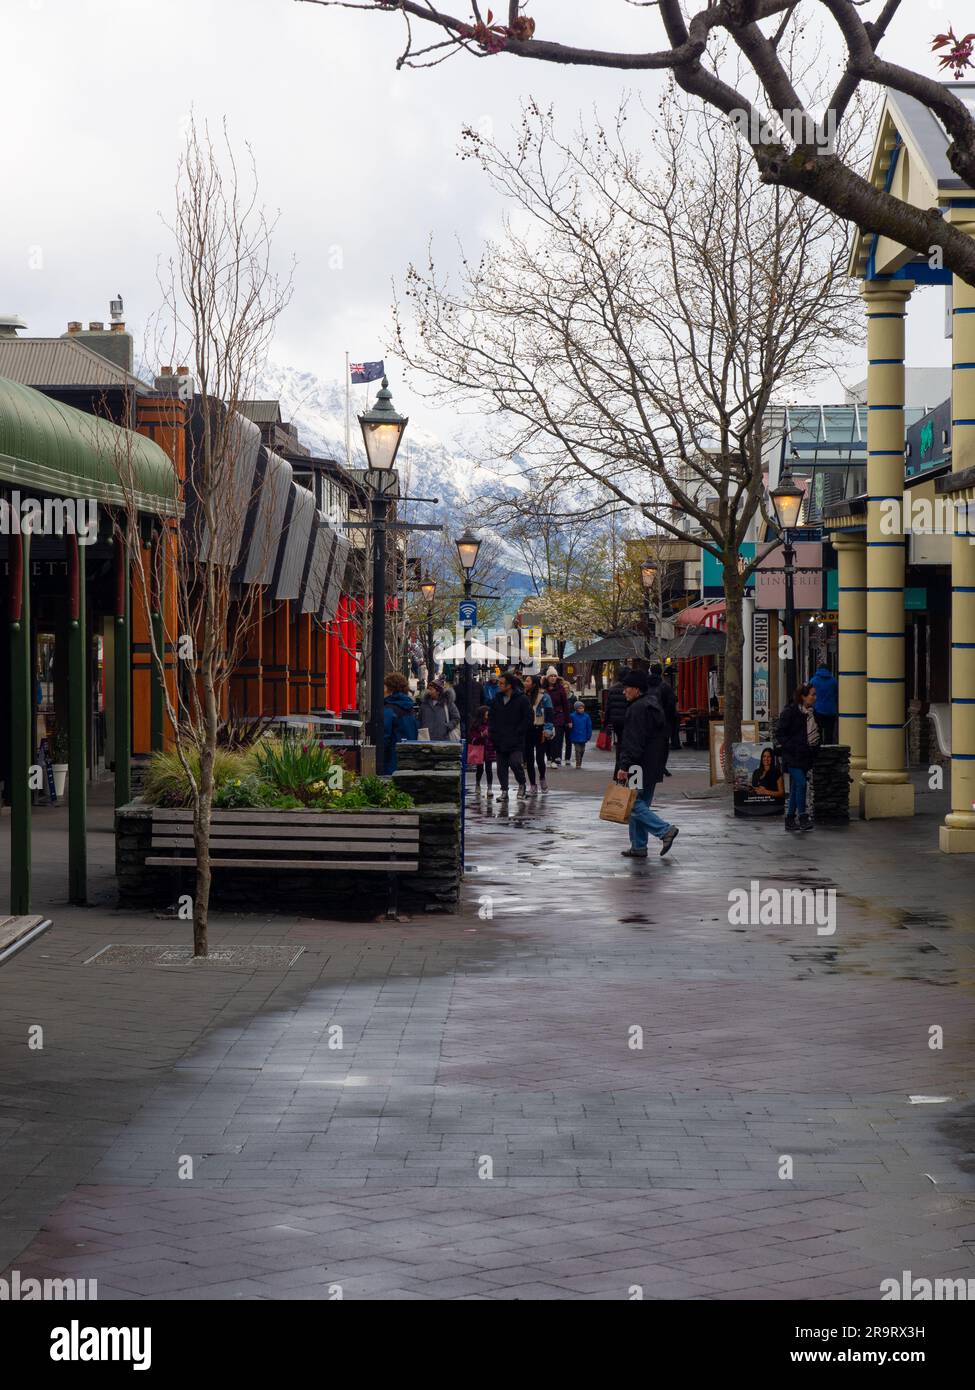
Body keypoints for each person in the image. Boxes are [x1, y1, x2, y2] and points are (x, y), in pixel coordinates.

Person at [616, 669, 679, 858]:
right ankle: (639, 845)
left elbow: (633, 741)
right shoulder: (653, 705)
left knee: (633, 804)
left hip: (638, 766)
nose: (624, 691)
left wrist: (624, 766)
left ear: (636, 689)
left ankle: (665, 830)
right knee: (641, 804)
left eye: (626, 688)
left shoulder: (637, 709)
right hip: (654, 764)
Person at [775, 683, 819, 833]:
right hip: (792, 755)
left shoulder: (811, 714)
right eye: (812, 694)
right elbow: (780, 734)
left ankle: (789, 818)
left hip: (805, 755)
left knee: (795, 787)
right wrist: (791, 746)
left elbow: (813, 735)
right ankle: (803, 816)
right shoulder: (790, 712)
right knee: (801, 783)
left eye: (814, 694)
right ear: (803, 696)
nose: (814, 697)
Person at [488, 672, 532, 801]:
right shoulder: (497, 698)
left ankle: (522, 784)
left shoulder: (522, 699)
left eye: (502, 683)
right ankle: (504, 792)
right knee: (501, 768)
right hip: (500, 738)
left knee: (515, 763)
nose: (499, 686)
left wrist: (519, 731)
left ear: (510, 685)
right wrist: (493, 732)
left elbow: (528, 718)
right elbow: (492, 716)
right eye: (499, 683)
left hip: (515, 739)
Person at [381, 672, 418, 774]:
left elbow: (384, 737)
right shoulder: (410, 708)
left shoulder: (389, 710)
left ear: (391, 689)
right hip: (409, 758)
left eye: (384, 688)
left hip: (392, 761)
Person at [523, 672, 554, 792]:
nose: (525, 683)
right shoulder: (523, 696)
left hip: (540, 729)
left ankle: (542, 778)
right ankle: (532, 784)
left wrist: (548, 728)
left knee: (540, 758)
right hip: (527, 730)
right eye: (525, 681)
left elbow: (550, 714)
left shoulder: (544, 696)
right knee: (529, 759)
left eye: (528, 681)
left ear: (534, 684)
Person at [648, 662, 679, 776]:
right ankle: (661, 766)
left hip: (649, 721)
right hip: (664, 721)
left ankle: (651, 765)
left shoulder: (646, 686)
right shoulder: (665, 686)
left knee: (650, 744)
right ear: (661, 672)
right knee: (663, 745)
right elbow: (671, 704)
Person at [543, 667, 572, 766]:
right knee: (547, 738)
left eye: (555, 676)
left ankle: (555, 758)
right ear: (547, 677)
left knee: (557, 738)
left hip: (559, 716)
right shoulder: (543, 689)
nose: (553, 678)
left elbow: (565, 705)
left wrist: (568, 720)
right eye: (551, 676)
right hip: (546, 716)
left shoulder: (560, 689)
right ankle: (549, 757)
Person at [604, 666, 631, 768]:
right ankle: (624, 766)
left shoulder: (612, 689)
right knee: (627, 744)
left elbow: (608, 707)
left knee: (619, 744)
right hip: (627, 720)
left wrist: (606, 723)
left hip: (616, 721)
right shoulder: (629, 689)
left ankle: (618, 766)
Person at [468, 703, 496, 796]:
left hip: (489, 750)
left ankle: (490, 788)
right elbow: (473, 739)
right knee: (480, 769)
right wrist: (482, 735)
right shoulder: (476, 725)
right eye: (487, 713)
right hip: (480, 750)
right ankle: (477, 784)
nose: (489, 715)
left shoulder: (492, 724)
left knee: (489, 769)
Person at [809, 662, 838, 744]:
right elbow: (836, 694)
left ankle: (820, 748)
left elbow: (810, 693)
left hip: (818, 710)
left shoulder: (813, 680)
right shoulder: (834, 681)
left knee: (818, 732)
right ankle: (829, 748)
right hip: (831, 711)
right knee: (829, 732)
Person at [569, 700, 593, 768]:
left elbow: (589, 726)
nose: (581, 709)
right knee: (578, 750)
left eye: (582, 708)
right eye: (579, 708)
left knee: (582, 750)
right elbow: (570, 726)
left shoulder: (586, 716)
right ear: (576, 709)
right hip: (575, 736)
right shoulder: (572, 716)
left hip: (584, 736)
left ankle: (580, 760)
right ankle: (578, 763)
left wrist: (589, 735)